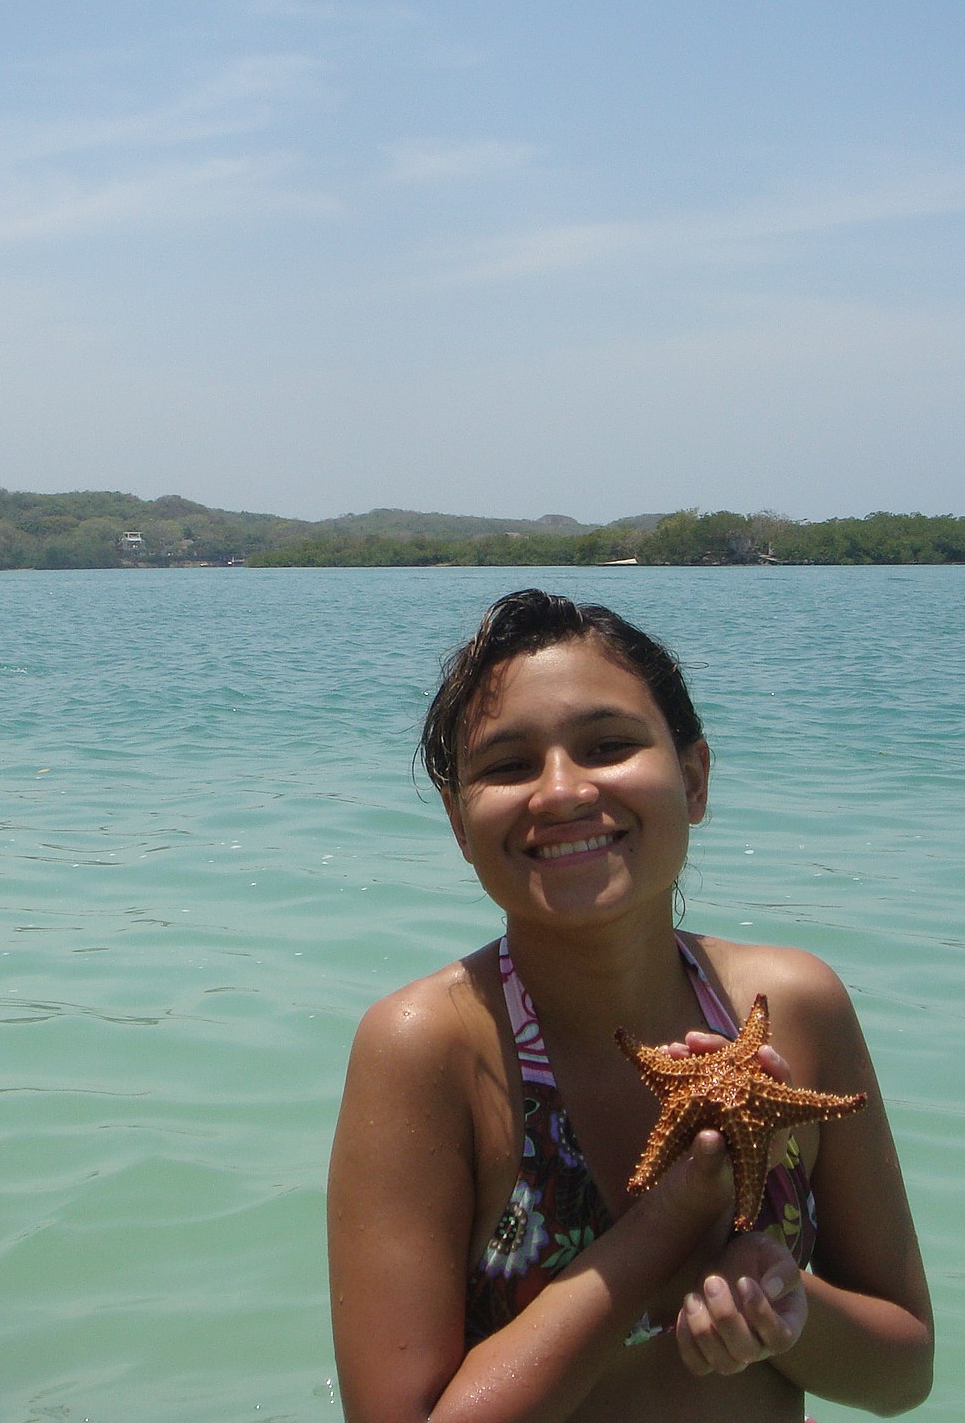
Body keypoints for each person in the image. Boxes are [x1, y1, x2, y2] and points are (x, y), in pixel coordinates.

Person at [327, 589, 933, 1422]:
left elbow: (904, 1373)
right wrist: (670, 1227)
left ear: (693, 778)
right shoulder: (429, 1047)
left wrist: (785, 1309)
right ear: (459, 823)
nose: (563, 791)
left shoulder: (793, 1004)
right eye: (507, 765)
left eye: (608, 746)